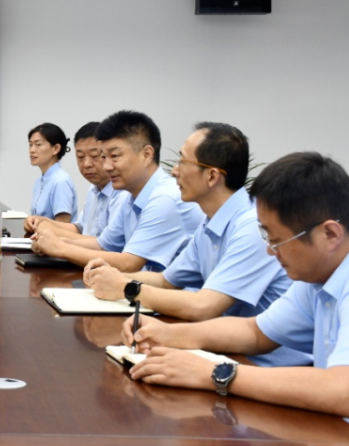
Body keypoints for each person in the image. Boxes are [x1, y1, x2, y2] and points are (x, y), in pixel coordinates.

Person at [125, 153, 349, 414]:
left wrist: (215, 373)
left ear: (330, 234)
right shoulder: (316, 278)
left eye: (278, 241)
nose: (270, 251)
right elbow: (256, 332)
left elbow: (342, 390)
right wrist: (167, 334)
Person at [85, 123, 309, 366]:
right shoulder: (211, 222)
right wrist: (111, 276)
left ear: (211, 176)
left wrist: (126, 287)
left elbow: (204, 306)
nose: (174, 171)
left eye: (182, 162)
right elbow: (166, 281)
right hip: (225, 350)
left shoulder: (251, 227)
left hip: (263, 364)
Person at [32, 110, 202, 272]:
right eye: (104, 157)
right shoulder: (131, 196)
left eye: (114, 156)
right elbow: (102, 245)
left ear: (146, 154)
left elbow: (129, 263)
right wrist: (52, 242)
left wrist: (59, 248)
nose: (107, 166)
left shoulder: (164, 198)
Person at [25, 121, 129, 238]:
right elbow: (79, 228)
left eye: (94, 156)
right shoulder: (93, 189)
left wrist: (54, 240)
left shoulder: (123, 194)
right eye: (80, 157)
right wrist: (40, 221)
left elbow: (105, 244)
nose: (86, 164)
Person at [26, 123, 78, 223]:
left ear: (56, 149)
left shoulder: (60, 181)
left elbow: (62, 225)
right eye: (30, 145)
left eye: (38, 144)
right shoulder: (40, 181)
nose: (32, 150)